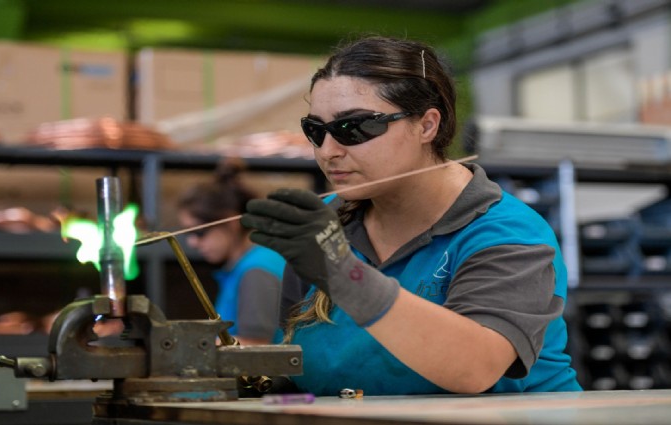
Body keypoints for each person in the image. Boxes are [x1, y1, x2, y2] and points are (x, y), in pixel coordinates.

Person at [240, 35, 582, 395]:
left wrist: (344, 275)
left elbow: (474, 369)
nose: (328, 151)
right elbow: (299, 368)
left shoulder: (507, 234)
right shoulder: (328, 224)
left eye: (353, 127)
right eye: (316, 130)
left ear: (426, 125)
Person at [177, 158, 285, 345]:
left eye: (199, 232)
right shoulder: (246, 265)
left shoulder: (257, 270)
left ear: (230, 222)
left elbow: (258, 346)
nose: (192, 242)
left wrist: (189, 344)